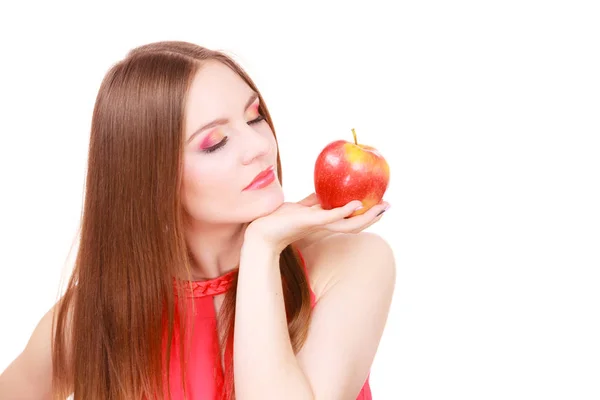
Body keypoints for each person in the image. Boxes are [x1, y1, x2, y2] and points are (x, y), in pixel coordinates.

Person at [0, 41, 395, 400]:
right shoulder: (93, 316)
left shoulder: (350, 264)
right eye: (215, 142)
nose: (260, 147)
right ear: (151, 179)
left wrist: (262, 247)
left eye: (255, 118)